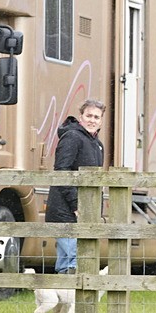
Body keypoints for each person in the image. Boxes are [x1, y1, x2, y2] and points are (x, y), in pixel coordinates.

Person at [46, 99, 105, 274]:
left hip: (83, 212)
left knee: (67, 262)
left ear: (101, 120)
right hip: (64, 212)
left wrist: (96, 211)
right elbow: (62, 171)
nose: (92, 120)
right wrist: (76, 205)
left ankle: (65, 301)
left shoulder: (97, 144)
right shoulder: (72, 137)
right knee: (77, 259)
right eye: (89, 115)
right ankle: (77, 300)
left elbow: (96, 182)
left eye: (97, 117)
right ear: (81, 116)